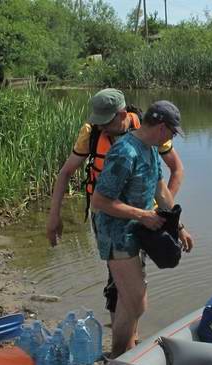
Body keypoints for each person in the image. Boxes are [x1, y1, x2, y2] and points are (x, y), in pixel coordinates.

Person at [45, 88, 185, 315]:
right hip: (108, 217)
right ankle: (123, 339)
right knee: (119, 280)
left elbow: (175, 171)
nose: (100, 126)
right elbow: (66, 173)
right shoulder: (91, 133)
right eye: (97, 121)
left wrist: (165, 216)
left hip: (144, 219)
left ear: (121, 115)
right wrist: (54, 216)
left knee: (137, 277)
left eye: (105, 122)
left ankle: (130, 336)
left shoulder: (148, 129)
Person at [90, 101, 194, 357]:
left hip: (139, 232)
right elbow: (99, 201)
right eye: (172, 132)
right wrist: (143, 215)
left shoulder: (150, 150)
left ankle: (125, 353)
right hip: (117, 235)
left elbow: (161, 190)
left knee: (130, 301)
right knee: (137, 301)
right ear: (161, 127)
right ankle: (118, 357)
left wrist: (179, 227)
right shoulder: (125, 152)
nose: (172, 138)